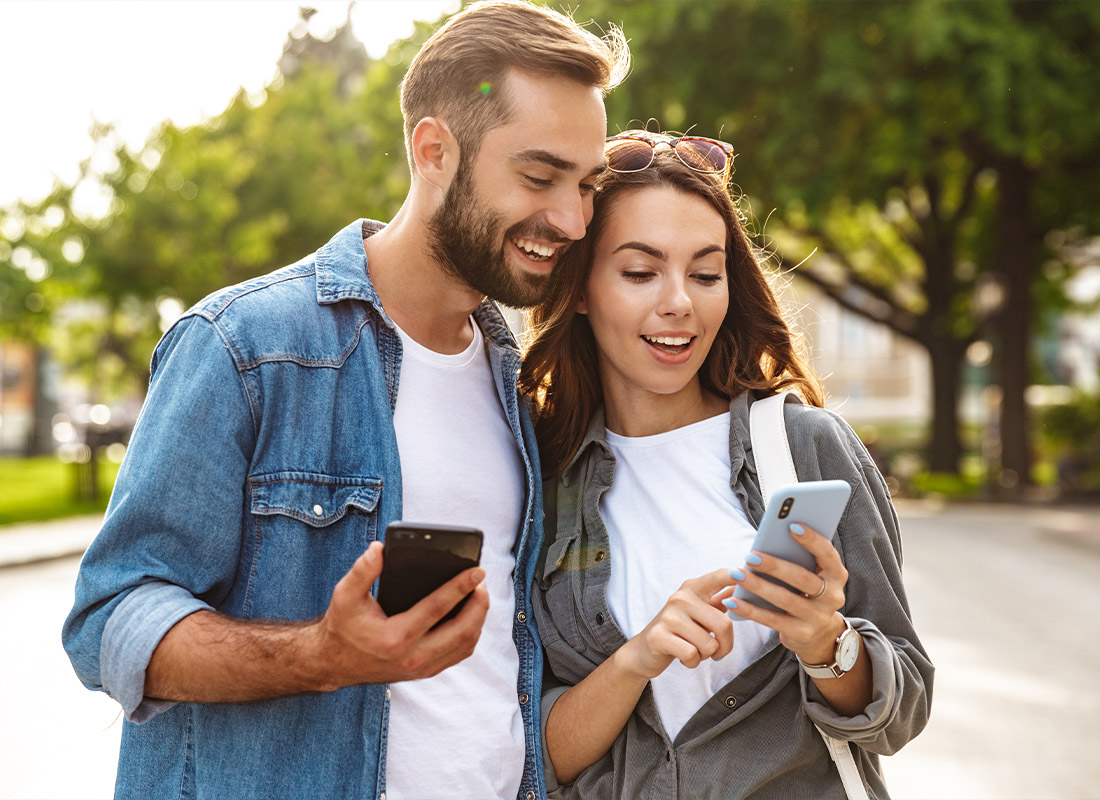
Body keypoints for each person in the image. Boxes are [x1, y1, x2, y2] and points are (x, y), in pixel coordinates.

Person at [61, 3, 630, 799]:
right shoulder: (244, 345)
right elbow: (109, 619)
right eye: (538, 177)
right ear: (434, 151)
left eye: (585, 184)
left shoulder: (520, 378)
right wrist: (324, 655)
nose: (570, 219)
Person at [519, 130, 933, 798]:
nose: (680, 300)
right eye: (640, 271)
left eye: (706, 274)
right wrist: (637, 659)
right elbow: (532, 758)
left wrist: (827, 642)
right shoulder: (538, 474)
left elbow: (902, 708)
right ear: (583, 288)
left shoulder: (805, 447)